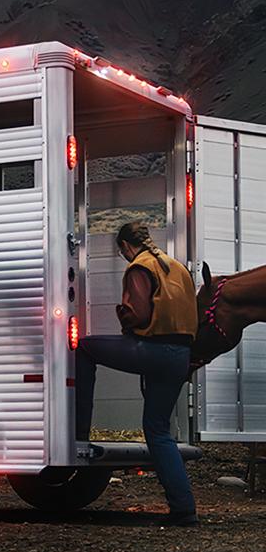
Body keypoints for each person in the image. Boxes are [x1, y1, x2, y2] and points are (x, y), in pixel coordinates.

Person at [75, 222, 199, 526]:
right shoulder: (176, 266)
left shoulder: (139, 268)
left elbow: (138, 314)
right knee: (157, 431)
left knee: (85, 348)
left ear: (126, 246)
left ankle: (78, 434)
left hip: (153, 349)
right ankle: (184, 509)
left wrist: (123, 315)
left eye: (121, 251)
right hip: (181, 355)